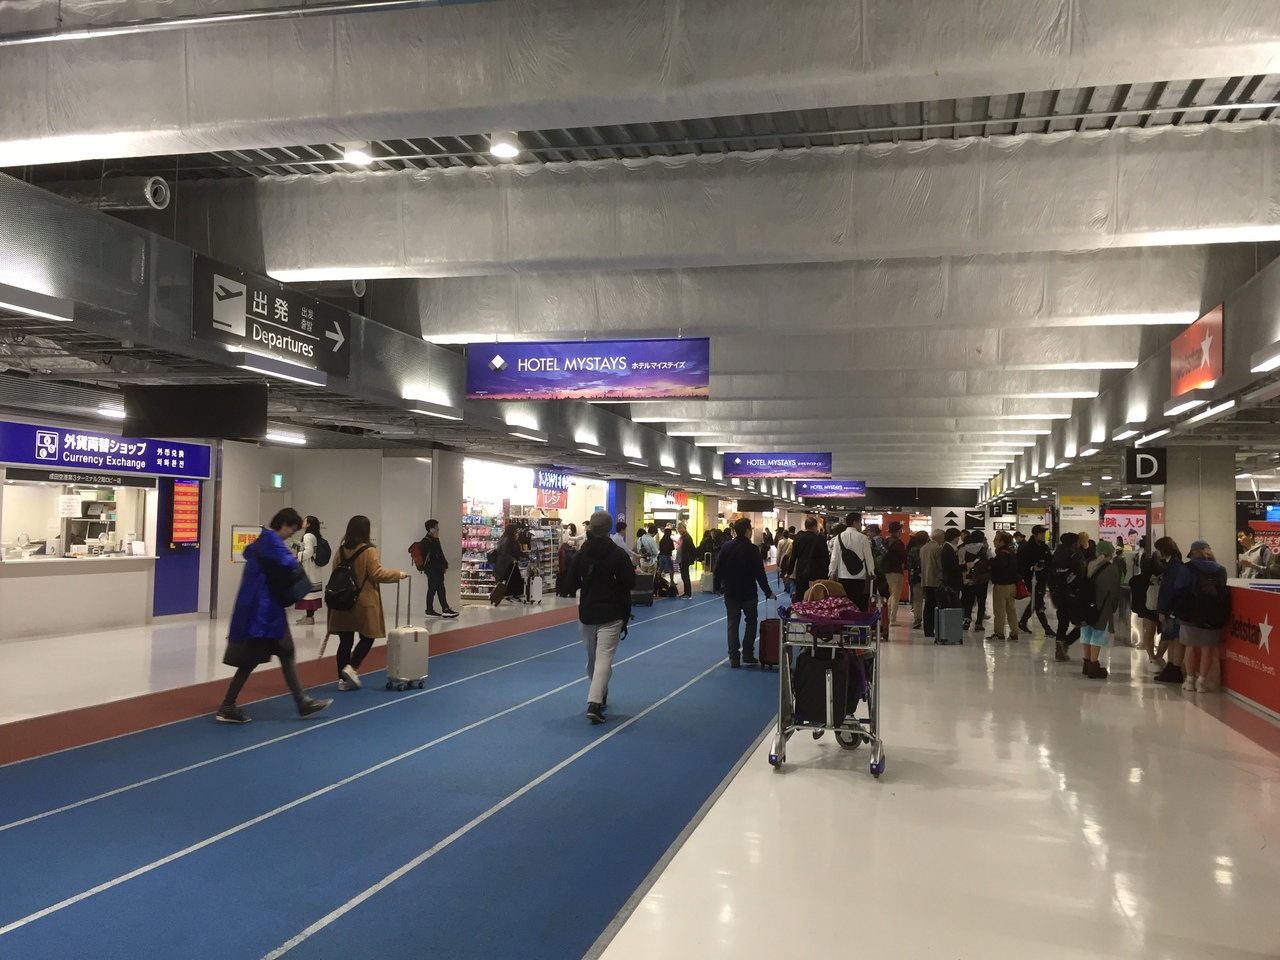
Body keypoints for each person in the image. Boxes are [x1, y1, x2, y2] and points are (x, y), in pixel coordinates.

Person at [216, 508, 332, 723]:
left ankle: (300, 702)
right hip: (264, 613)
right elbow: (290, 565)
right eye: (291, 530)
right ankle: (228, 705)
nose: (291, 534)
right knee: (265, 657)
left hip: (261, 611)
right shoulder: (272, 542)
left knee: (272, 655)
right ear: (284, 524)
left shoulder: (261, 542)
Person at [567, 511, 636, 724]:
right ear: (609, 528)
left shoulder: (582, 553)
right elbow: (630, 582)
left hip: (588, 613)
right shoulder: (618, 554)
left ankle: (598, 696)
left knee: (593, 660)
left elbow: (569, 584)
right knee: (603, 659)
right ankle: (595, 702)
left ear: (591, 528)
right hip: (612, 613)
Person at [328, 515, 409, 689]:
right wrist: (398, 574)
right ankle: (351, 667)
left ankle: (342, 680)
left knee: (345, 641)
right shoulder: (369, 551)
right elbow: (376, 574)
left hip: (342, 601)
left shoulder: (340, 551)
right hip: (362, 602)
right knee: (368, 636)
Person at [1169, 539, 1231, 693]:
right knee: (1207, 649)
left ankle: (1189, 680)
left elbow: (1179, 587)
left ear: (1193, 553)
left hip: (1190, 613)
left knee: (1190, 647)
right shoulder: (1221, 570)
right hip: (1213, 615)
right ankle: (1202, 682)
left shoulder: (1187, 568)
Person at [714, 517, 776, 668]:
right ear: (747, 531)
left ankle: (733, 657)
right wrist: (768, 592)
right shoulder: (753, 549)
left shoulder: (726, 547)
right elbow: (760, 574)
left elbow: (718, 568)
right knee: (751, 621)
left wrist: (717, 586)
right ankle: (748, 653)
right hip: (749, 592)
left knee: (732, 624)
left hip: (731, 592)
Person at [1079, 539, 1122, 678]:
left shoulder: (1089, 565)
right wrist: (1114, 606)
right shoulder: (1112, 568)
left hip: (1086, 605)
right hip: (1102, 606)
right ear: (1110, 554)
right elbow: (1114, 591)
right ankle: (1094, 665)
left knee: (1086, 633)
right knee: (1097, 635)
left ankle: (1086, 664)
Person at [1153, 537, 1188, 684]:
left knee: (1175, 639)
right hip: (1174, 609)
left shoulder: (1174, 567)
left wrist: (1162, 609)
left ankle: (1175, 668)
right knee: (1173, 639)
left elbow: (1169, 591)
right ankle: (1172, 667)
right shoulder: (1174, 565)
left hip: (1172, 610)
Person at [1048, 532, 1085, 662]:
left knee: (1062, 623)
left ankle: (1060, 647)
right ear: (1074, 543)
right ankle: (1066, 642)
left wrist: (1053, 594)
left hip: (1059, 594)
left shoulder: (1056, 556)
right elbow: (1081, 575)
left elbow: (1051, 577)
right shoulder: (1075, 557)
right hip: (1074, 595)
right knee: (1083, 623)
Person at [828, 512, 876, 609]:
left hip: (843, 575)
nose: (861, 525)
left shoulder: (839, 537)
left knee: (845, 602)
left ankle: (847, 618)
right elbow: (868, 557)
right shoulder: (863, 538)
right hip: (859, 575)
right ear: (855, 523)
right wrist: (871, 572)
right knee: (858, 602)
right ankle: (857, 617)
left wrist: (831, 572)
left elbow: (834, 558)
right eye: (860, 522)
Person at [415, 519, 458, 619]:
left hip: (437, 569)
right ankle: (429, 610)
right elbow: (433, 553)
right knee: (432, 588)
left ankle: (445, 609)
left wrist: (444, 565)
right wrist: (435, 540)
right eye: (436, 528)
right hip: (431, 569)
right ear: (431, 529)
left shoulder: (435, 540)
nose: (438, 530)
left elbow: (440, 553)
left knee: (440, 588)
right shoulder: (426, 541)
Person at [1016, 525, 1053, 635]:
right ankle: (1047, 629)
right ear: (1035, 535)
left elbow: (1050, 561)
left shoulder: (1045, 548)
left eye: (1044, 533)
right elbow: (1021, 565)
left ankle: (1022, 622)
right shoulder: (1026, 549)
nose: (1043, 536)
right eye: (1041, 534)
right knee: (1038, 603)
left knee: (1036, 601)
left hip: (1043, 579)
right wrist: (1032, 568)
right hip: (1032, 579)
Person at [988, 530, 1021, 642]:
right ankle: (1014, 633)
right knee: (1011, 610)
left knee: (999, 611)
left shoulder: (1002, 554)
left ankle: (999, 633)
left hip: (1002, 586)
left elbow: (998, 568)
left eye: (996, 539)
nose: (994, 541)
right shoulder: (1011, 552)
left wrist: (990, 563)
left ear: (1001, 541)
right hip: (1012, 585)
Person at [294, 515, 324, 626]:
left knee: (309, 594)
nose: (303, 522)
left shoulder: (308, 536)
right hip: (314, 568)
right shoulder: (314, 536)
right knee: (312, 594)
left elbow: (309, 552)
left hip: (309, 568)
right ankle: (309, 616)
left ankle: (309, 618)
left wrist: (297, 555)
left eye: (305, 521)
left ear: (309, 524)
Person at [789, 517, 829, 600]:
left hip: (801, 569)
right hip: (816, 571)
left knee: (801, 595)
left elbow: (793, 556)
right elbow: (825, 557)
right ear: (815, 526)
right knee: (815, 596)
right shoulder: (820, 538)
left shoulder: (798, 538)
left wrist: (789, 571)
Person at [959, 529, 991, 632]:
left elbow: (961, 562)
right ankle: (979, 623)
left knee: (968, 601)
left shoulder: (964, 548)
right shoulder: (985, 548)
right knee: (981, 601)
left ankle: (967, 620)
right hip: (982, 578)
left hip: (969, 577)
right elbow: (990, 560)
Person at [920, 529, 945, 638]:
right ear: (940, 537)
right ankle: (933, 629)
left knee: (927, 606)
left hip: (925, 580)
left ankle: (927, 629)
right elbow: (941, 565)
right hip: (935, 580)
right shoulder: (938, 549)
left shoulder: (923, 548)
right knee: (934, 605)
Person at [883, 521, 907, 629]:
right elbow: (903, 557)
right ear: (897, 531)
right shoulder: (898, 543)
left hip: (887, 571)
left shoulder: (887, 540)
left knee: (893, 594)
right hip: (896, 571)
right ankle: (892, 619)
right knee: (896, 595)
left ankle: (888, 616)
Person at [906, 530, 929, 629]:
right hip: (929, 577)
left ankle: (917, 619)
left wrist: (911, 577)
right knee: (928, 599)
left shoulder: (913, 549)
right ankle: (928, 619)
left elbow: (909, 564)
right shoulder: (928, 549)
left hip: (917, 577)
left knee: (917, 600)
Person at [677, 522, 697, 599]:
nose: (680, 530)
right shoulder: (683, 537)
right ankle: (686, 592)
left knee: (685, 576)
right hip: (682, 560)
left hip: (685, 560)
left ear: (685, 528)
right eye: (678, 528)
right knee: (684, 576)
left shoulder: (687, 537)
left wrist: (694, 557)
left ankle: (688, 594)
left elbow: (692, 548)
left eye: (681, 528)